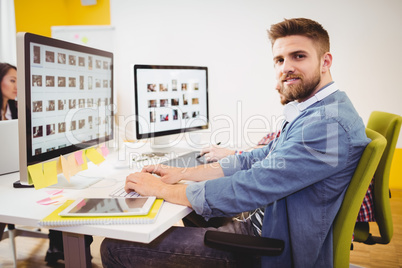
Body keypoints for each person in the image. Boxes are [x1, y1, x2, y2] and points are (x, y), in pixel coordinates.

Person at [101, 18, 370, 267]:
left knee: (115, 247)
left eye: (298, 56)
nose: (286, 67)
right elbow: (258, 157)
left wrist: (163, 189)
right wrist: (181, 174)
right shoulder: (317, 110)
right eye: (279, 59)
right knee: (180, 203)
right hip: (268, 223)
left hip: (269, 246)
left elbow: (255, 183)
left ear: (325, 61)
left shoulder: (327, 125)